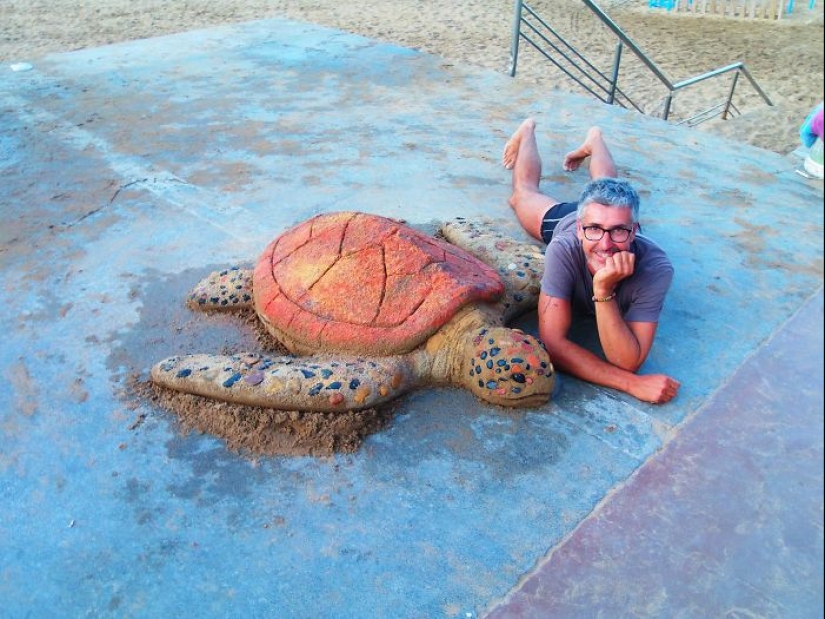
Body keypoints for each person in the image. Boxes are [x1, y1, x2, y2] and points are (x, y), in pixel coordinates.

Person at [502, 118, 680, 404]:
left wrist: (604, 292)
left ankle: (594, 139)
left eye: (620, 232)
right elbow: (553, 344)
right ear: (579, 229)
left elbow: (628, 360)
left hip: (605, 217)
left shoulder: (655, 268)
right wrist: (632, 385)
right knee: (522, 194)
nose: (606, 244)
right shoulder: (565, 244)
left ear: (634, 230)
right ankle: (528, 130)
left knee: (607, 188)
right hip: (568, 219)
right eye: (594, 230)